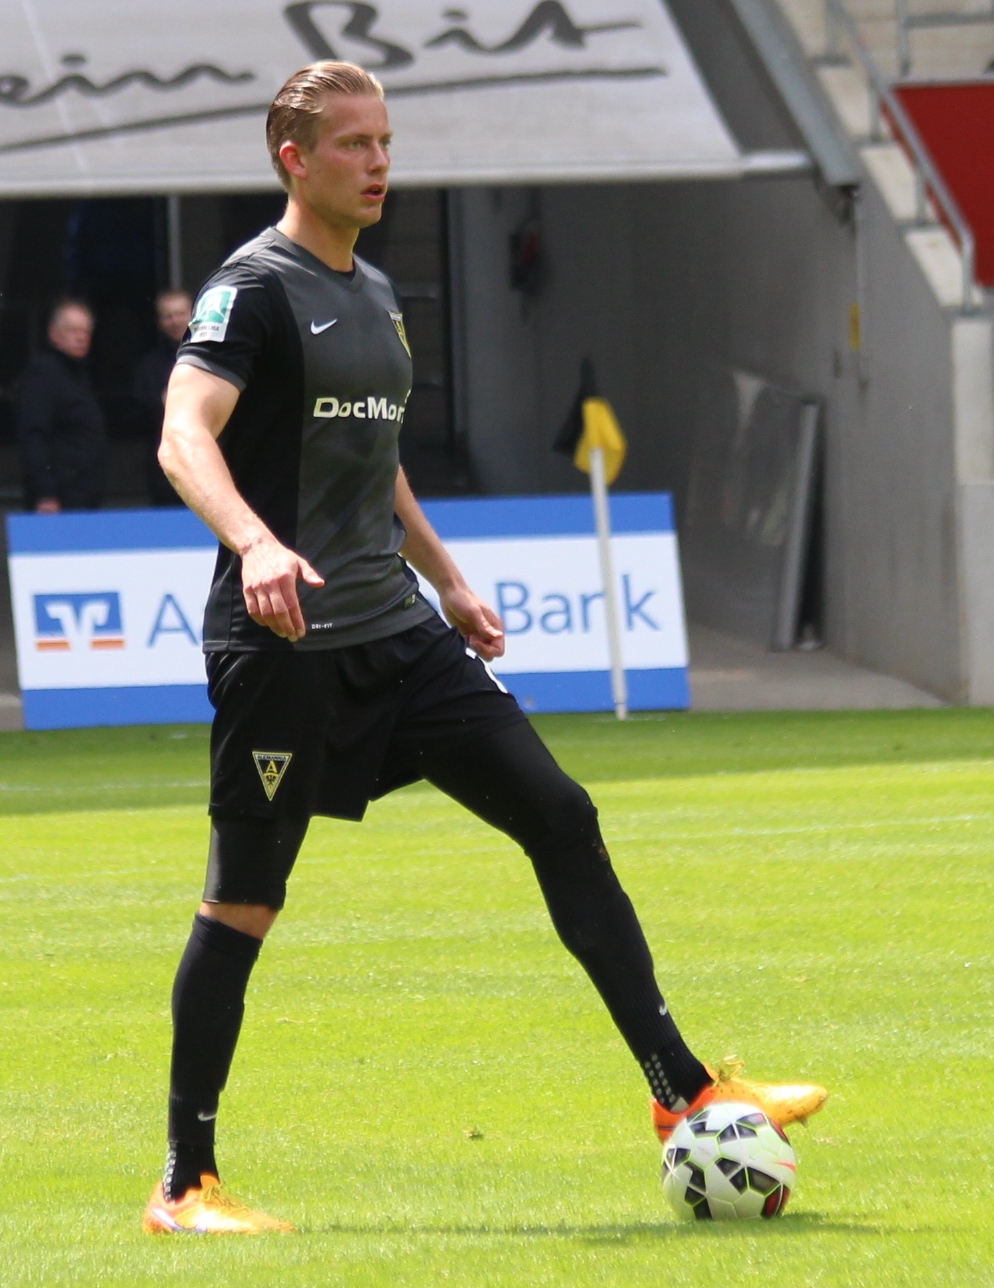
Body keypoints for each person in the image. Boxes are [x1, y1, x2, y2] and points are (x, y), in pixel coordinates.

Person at [142, 61, 828, 1236]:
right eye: (353, 143)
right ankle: (183, 1184)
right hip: (286, 645)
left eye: (385, 140)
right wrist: (253, 542)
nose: (379, 162)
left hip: (399, 632)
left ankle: (682, 1090)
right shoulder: (251, 290)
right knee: (243, 901)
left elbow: (376, 457)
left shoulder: (375, 293)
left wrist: (448, 578)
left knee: (558, 813)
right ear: (293, 158)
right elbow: (180, 433)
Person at [16, 298, 107, 513]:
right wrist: (45, 493)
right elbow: (33, 436)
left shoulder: (79, 375)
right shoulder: (43, 373)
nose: (81, 337)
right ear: (54, 334)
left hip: (84, 495)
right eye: (73, 330)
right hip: (58, 500)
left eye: (86, 331)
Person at [131, 289, 193, 506]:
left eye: (180, 313)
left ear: (194, 314)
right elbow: (135, 420)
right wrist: (160, 404)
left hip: (213, 463)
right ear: (160, 323)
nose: (175, 321)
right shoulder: (149, 367)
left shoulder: (216, 357)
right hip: (166, 471)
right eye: (168, 316)